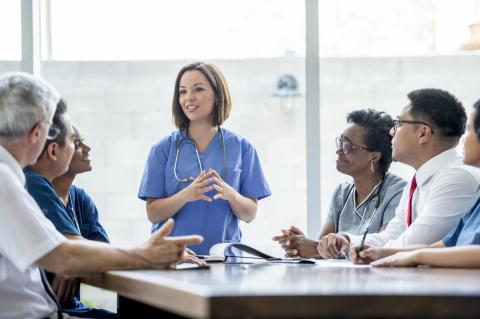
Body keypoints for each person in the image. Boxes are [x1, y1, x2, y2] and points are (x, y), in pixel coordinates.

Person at [0, 72, 202, 319]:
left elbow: (63, 252)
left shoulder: (14, 180)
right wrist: (149, 254)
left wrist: (72, 257)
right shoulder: (5, 181)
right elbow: (63, 256)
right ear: (36, 134)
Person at [327, 88, 480, 262]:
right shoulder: (417, 181)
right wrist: (349, 242)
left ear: (423, 133)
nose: (391, 132)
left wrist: (369, 252)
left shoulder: (458, 178)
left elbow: (413, 243)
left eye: (398, 124)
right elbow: (393, 234)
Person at [138, 62, 271, 255]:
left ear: (217, 95)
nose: (188, 98)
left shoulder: (242, 148)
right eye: (182, 92)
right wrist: (186, 195)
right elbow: (153, 213)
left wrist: (231, 194)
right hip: (173, 258)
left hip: (224, 259)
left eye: (198, 89)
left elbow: (249, 214)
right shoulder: (162, 149)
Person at [272, 109, 406, 258]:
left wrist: (314, 248)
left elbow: (386, 247)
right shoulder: (342, 192)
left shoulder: (398, 192)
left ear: (374, 156)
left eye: (347, 146)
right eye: (340, 142)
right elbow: (321, 247)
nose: (338, 151)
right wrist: (300, 244)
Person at [26, 100, 115, 318]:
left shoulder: (80, 199)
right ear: (54, 151)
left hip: (68, 305)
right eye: (75, 141)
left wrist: (75, 258)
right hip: (47, 307)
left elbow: (100, 250)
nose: (85, 148)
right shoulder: (32, 183)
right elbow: (75, 251)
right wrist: (153, 254)